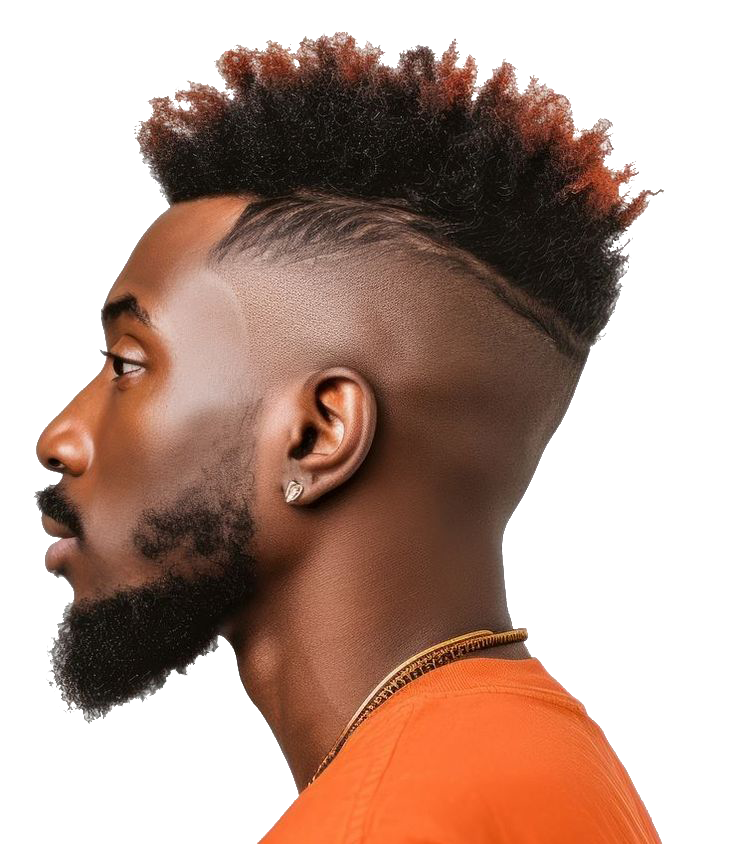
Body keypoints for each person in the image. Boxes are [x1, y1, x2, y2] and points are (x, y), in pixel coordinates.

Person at [34, 32, 664, 842]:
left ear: (318, 434)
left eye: (127, 365)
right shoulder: (559, 764)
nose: (59, 438)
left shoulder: (376, 824)